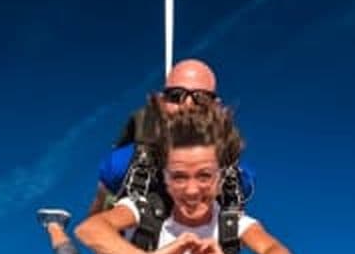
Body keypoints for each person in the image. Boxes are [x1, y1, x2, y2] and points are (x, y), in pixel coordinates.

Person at [38, 104, 296, 254]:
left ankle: (114, 247)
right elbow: (89, 230)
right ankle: (54, 224)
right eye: (179, 177)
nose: (192, 190)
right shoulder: (147, 208)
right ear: (165, 179)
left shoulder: (232, 222)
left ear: (221, 179)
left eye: (205, 176)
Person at [87, 58, 255, 217]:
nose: (187, 105)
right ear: (161, 102)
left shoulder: (237, 180)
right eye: (176, 96)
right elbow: (97, 217)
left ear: (215, 106)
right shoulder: (123, 165)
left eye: (201, 98)